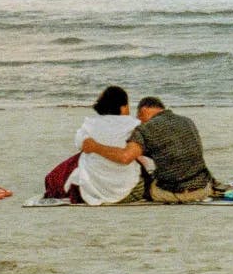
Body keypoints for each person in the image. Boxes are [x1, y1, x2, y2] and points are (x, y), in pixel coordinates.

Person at [81, 96, 218, 203]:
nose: (138, 121)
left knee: (138, 183)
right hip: (203, 188)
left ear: (143, 111)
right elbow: (171, 150)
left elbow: (125, 157)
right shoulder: (187, 121)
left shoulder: (145, 129)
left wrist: (95, 147)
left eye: (138, 117)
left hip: (173, 193)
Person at [42, 86, 146, 205]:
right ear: (123, 107)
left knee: (80, 158)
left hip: (91, 191)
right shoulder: (134, 125)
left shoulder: (89, 124)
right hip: (129, 191)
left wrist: (96, 146)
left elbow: (81, 144)